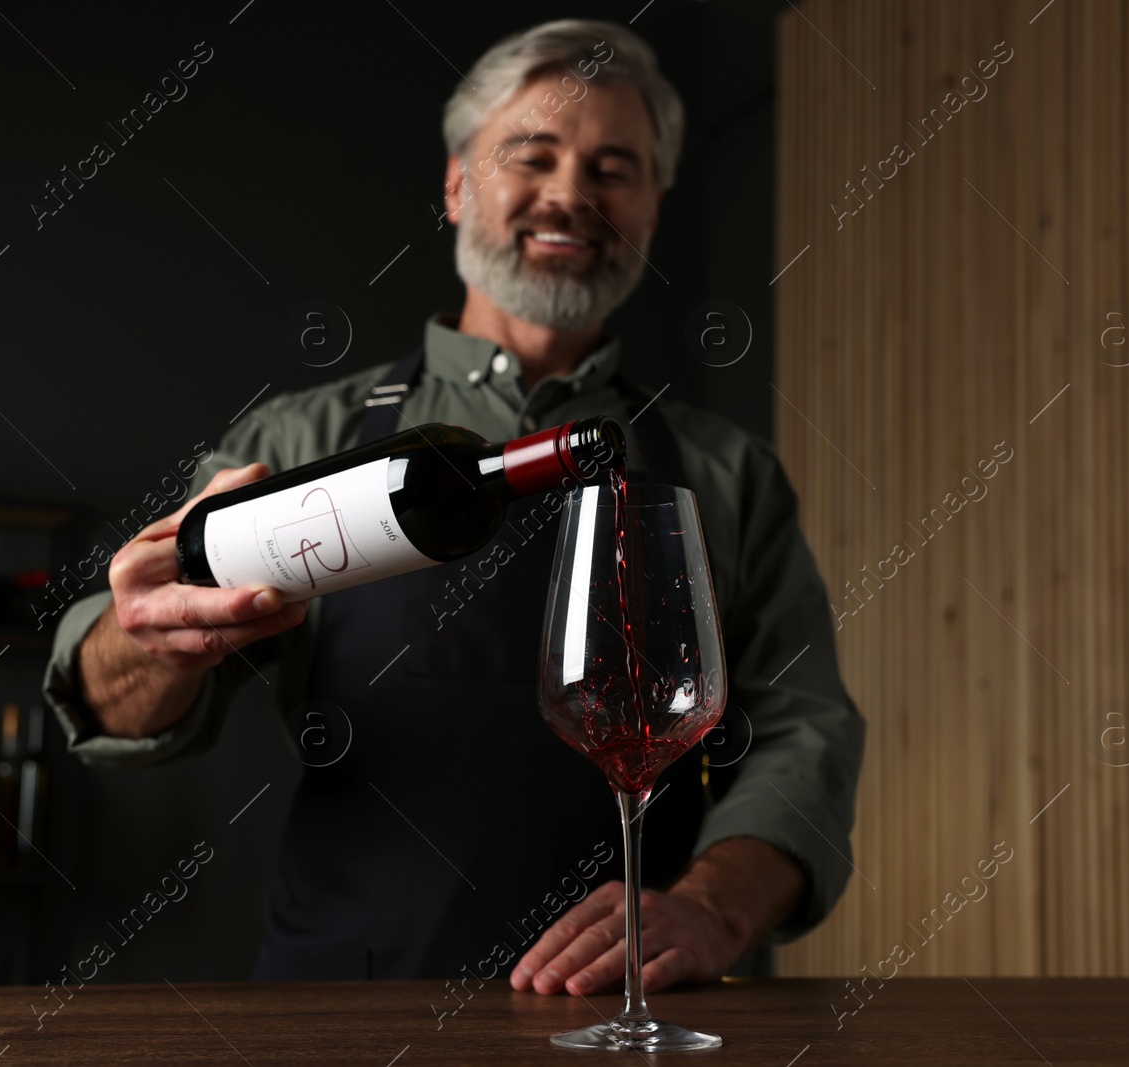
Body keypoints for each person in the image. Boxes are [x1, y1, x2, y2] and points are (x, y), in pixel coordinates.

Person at [42, 18, 864, 996]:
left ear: (650, 205)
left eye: (614, 167)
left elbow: (802, 729)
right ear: (456, 184)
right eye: (533, 155)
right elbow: (115, 684)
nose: (570, 193)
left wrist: (717, 905)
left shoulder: (727, 472)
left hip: (618, 1014)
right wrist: (146, 634)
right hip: (341, 1008)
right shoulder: (309, 439)